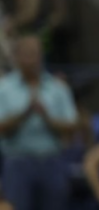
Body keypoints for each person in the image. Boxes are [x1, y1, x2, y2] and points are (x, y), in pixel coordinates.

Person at [0, 35, 78, 210]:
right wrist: (25, 113)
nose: (32, 60)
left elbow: (72, 125)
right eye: (27, 54)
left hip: (52, 161)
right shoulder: (3, 88)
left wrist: (47, 118)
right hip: (17, 163)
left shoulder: (58, 88)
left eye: (35, 54)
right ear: (16, 57)